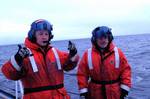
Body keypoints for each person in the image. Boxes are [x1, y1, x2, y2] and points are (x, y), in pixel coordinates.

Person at [1, 19, 79, 99]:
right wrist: (18, 58)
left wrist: (73, 53)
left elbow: (69, 66)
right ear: (33, 35)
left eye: (46, 34)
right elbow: (9, 74)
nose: (44, 37)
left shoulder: (55, 52)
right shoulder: (25, 54)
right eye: (40, 34)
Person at [77, 26, 131, 99]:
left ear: (109, 38)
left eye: (105, 38)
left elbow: (126, 70)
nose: (103, 40)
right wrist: (83, 91)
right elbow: (82, 74)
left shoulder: (118, 52)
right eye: (100, 38)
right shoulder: (88, 54)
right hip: (95, 94)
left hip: (115, 93)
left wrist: (125, 88)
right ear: (95, 40)